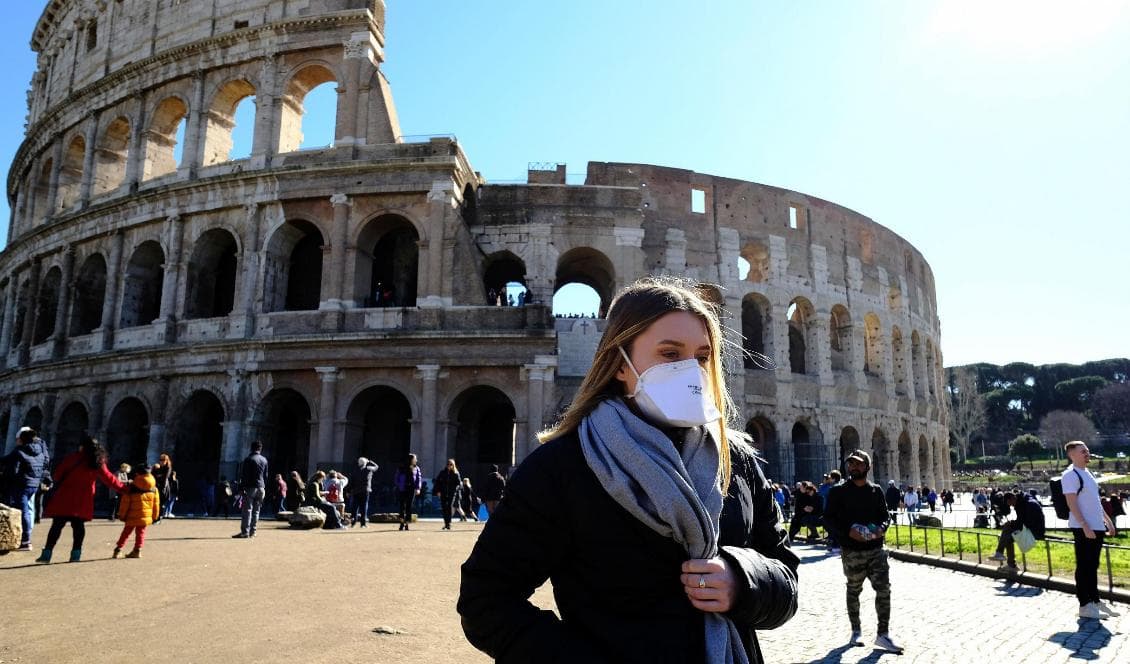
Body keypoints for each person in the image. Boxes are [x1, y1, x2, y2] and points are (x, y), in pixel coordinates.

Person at [458, 278, 799, 663]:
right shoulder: (564, 465)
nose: (690, 370)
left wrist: (743, 579)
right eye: (670, 354)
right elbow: (485, 598)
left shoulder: (736, 460)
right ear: (621, 363)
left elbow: (784, 574)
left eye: (702, 357)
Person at [823, 449, 902, 653]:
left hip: (876, 550)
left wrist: (880, 530)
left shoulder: (876, 491)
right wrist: (848, 532)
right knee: (853, 590)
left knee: (884, 590)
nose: (853, 467)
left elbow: (885, 517)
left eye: (858, 464)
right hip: (852, 551)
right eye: (851, 463)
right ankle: (856, 631)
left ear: (867, 467)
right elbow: (829, 519)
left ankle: (883, 634)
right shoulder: (838, 491)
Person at [35, 435, 125, 563]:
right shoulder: (97, 462)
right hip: (83, 498)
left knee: (56, 526)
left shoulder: (71, 458)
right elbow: (110, 479)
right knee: (78, 527)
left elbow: (58, 475)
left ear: (82, 446)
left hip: (65, 496)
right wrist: (125, 490)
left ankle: (47, 553)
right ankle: (76, 554)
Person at [1061, 441, 1120, 620]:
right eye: (1083, 451)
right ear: (1072, 454)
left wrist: (1107, 521)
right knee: (1084, 565)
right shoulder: (1070, 475)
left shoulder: (1088, 473)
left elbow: (1095, 501)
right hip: (1083, 526)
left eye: (1087, 450)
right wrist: (1084, 525)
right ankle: (1084, 604)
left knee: (1093, 565)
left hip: (1096, 526)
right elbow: (1071, 502)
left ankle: (1094, 600)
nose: (1087, 453)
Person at [1, 427, 51, 551]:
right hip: (33, 485)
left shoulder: (20, 451)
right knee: (28, 510)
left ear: (22, 440)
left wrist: (8, 481)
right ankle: (24, 537)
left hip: (21, 484)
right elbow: (44, 466)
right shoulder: (40, 451)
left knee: (23, 512)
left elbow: (13, 468)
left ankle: (25, 540)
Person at [987, 490, 1046, 571]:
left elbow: (1026, 522)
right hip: (1030, 527)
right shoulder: (1021, 502)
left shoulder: (1029, 504)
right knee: (1008, 533)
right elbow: (1022, 521)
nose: (1012, 506)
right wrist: (1012, 523)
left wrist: (1012, 523)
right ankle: (1008, 561)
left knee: (1008, 532)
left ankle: (1006, 559)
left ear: (1013, 498)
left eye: (1011, 504)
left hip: (1035, 531)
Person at [113, 464, 160, 559]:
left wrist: (122, 515)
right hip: (145, 515)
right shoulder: (154, 488)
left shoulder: (132, 487)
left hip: (132, 515)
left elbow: (125, 503)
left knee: (126, 533)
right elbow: (156, 504)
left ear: (138, 473)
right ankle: (137, 550)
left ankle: (118, 550)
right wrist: (155, 516)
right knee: (141, 533)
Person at [233, 440, 269, 538]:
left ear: (251, 448)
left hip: (250, 487)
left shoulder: (249, 459)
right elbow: (266, 476)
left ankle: (245, 532)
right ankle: (253, 532)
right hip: (261, 487)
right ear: (260, 449)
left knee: (247, 510)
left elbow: (244, 475)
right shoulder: (264, 460)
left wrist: (241, 488)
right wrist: (264, 486)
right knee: (256, 511)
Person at [394, 454, 422, 531]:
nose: (416, 460)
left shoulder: (416, 468)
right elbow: (397, 477)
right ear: (411, 459)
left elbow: (418, 479)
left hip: (411, 489)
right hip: (402, 488)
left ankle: (407, 523)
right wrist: (399, 485)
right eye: (415, 459)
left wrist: (418, 488)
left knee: (409, 506)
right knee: (402, 506)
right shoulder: (401, 467)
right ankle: (401, 522)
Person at [433, 458, 462, 530]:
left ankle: (448, 523)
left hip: (452, 493)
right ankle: (446, 523)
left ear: (453, 465)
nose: (449, 466)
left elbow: (459, 484)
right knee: (444, 508)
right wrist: (437, 491)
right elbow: (437, 482)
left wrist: (455, 489)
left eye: (451, 464)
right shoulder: (442, 473)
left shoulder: (456, 474)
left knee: (449, 507)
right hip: (443, 493)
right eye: (448, 464)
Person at [350, 457, 379, 528]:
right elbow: (376, 467)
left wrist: (349, 490)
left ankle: (353, 522)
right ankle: (363, 523)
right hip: (365, 490)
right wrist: (370, 461)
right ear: (365, 463)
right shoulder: (368, 469)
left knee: (355, 507)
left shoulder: (355, 470)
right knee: (364, 507)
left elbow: (351, 481)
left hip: (356, 490)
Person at [152, 453, 173, 519]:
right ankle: (155, 516)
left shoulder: (168, 467)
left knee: (161, 503)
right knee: (156, 503)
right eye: (160, 460)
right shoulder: (158, 468)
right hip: (157, 486)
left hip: (164, 487)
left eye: (163, 460)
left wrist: (159, 476)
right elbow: (153, 476)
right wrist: (154, 468)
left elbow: (165, 477)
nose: (161, 461)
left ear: (166, 460)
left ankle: (159, 517)